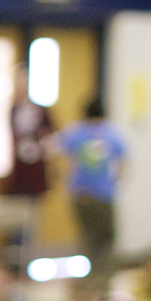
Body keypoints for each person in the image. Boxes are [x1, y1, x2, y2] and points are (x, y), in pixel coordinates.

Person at [56, 98, 126, 272]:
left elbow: (58, 156)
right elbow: (122, 161)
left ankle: (87, 279)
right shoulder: (110, 134)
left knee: (87, 238)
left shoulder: (75, 133)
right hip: (104, 194)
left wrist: (65, 181)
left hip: (81, 193)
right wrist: (114, 181)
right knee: (107, 238)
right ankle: (102, 278)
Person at [4, 63, 55, 200]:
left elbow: (50, 134)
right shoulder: (14, 110)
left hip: (35, 162)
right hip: (19, 164)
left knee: (33, 201)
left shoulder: (40, 110)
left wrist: (39, 149)